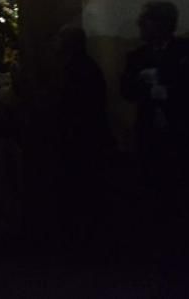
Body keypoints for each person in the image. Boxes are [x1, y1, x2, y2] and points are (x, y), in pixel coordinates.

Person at [121, 2, 189, 225]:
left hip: (185, 137)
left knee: (186, 195)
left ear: (161, 23)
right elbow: (126, 90)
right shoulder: (137, 56)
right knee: (156, 193)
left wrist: (158, 87)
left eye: (145, 19)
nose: (139, 24)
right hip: (152, 138)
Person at [54, 25, 113, 248]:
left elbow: (74, 107)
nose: (54, 43)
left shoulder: (78, 69)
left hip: (81, 140)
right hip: (84, 138)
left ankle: (84, 242)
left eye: (59, 38)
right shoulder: (82, 67)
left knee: (82, 193)